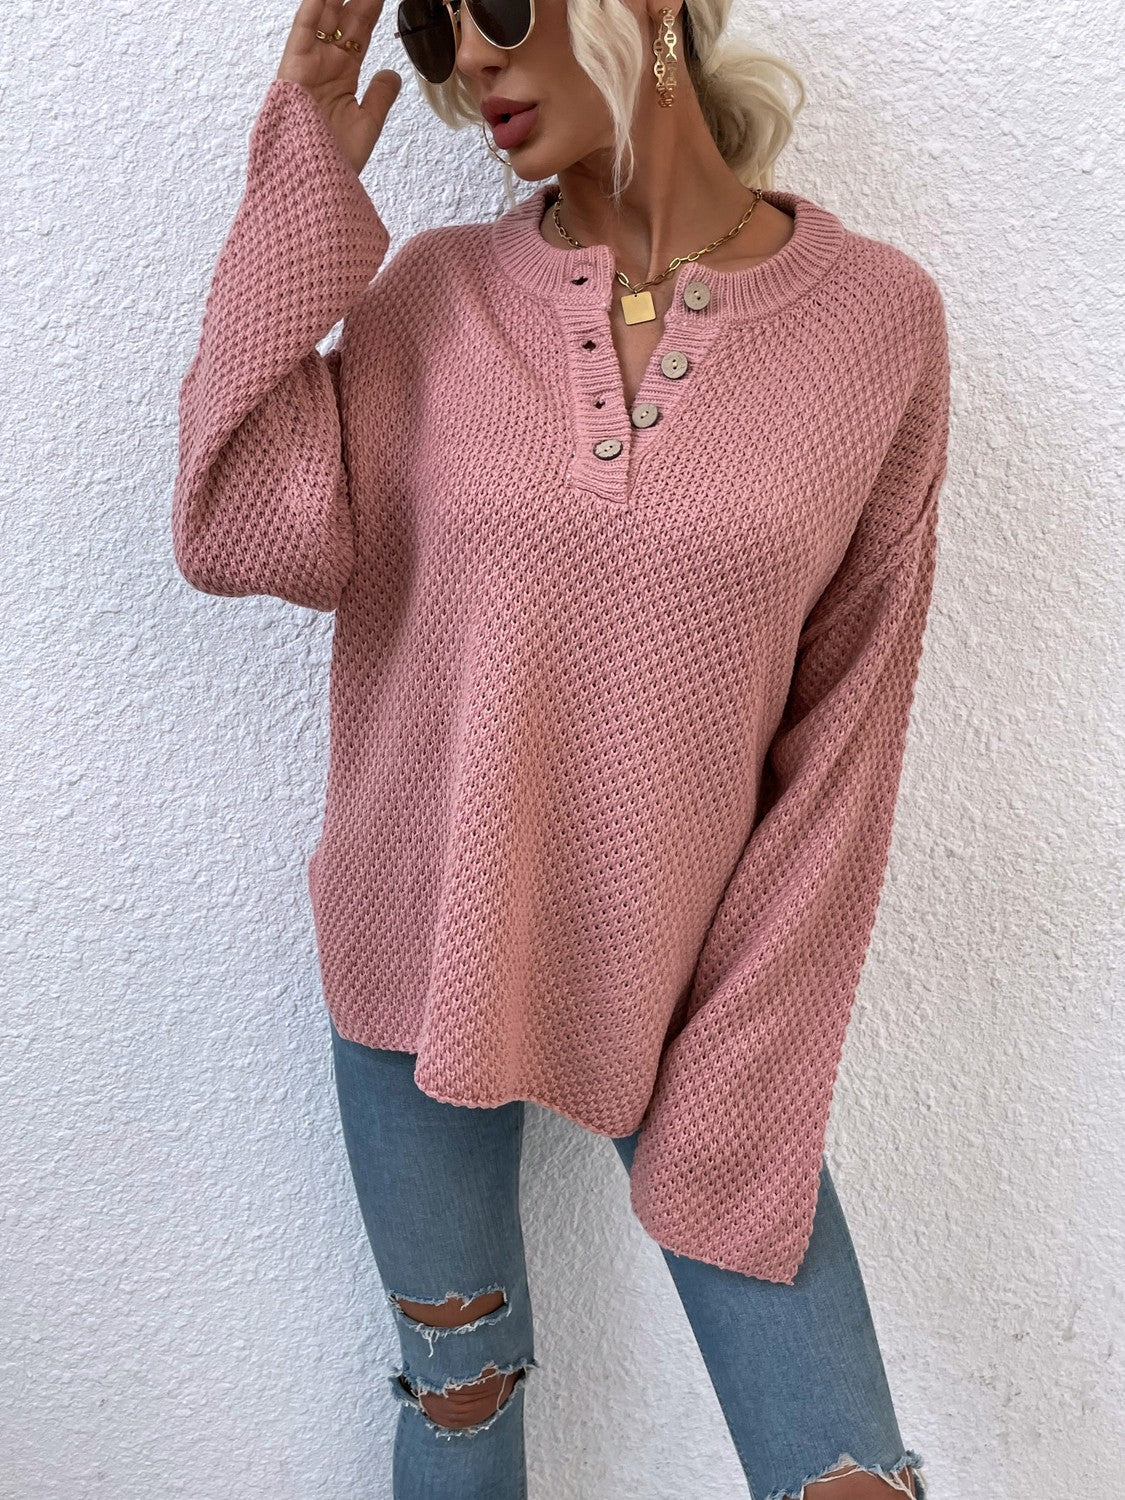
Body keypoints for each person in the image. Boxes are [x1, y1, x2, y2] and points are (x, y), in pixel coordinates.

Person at [171, 0, 950, 1494]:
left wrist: (752, 1027)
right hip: (416, 951)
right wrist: (301, 179)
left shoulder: (875, 323)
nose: (469, 55)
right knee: (459, 1405)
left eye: (499, 6)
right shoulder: (432, 297)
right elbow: (233, 520)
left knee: (845, 1477)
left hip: (696, 990)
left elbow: (848, 732)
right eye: (429, 25)